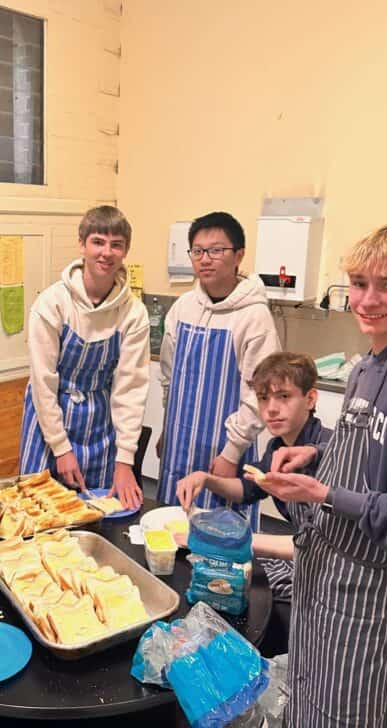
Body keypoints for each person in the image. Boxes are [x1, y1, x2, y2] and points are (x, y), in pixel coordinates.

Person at [256, 225, 387, 726]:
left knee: (350, 711)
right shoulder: (367, 366)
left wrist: (325, 493)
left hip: (365, 593)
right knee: (307, 697)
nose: (368, 299)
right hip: (323, 575)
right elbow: (370, 451)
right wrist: (317, 451)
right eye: (359, 283)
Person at [176, 351, 332, 656]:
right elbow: (247, 489)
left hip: (329, 569)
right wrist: (205, 478)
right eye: (263, 398)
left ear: (310, 399)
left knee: (247, 598)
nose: (271, 409)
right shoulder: (277, 446)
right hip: (304, 550)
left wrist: (235, 540)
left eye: (284, 396)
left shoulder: (327, 452)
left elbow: (320, 544)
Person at [19, 205, 150, 510]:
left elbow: (130, 390)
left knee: (97, 509)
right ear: (82, 245)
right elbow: (43, 382)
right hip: (48, 419)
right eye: (98, 242)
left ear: (126, 250)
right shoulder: (52, 303)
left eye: (116, 244)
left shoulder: (133, 313)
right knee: (39, 510)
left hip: (99, 425)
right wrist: (60, 448)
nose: (107, 253)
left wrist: (125, 461)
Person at [157, 211, 281, 528]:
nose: (205, 259)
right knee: (169, 527)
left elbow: (259, 395)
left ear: (238, 255)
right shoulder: (183, 308)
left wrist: (231, 453)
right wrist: (166, 430)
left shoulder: (254, 317)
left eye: (216, 250)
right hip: (179, 443)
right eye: (198, 251)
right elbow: (169, 377)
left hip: (223, 450)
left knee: (221, 534)